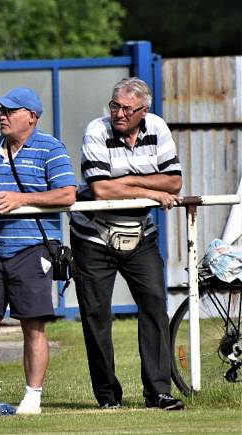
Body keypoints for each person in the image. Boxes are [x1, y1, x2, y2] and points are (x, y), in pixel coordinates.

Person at [0, 87, 76, 415]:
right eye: (0, 110)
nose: (2, 115)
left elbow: (67, 194)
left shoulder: (51, 149)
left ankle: (32, 400)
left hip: (33, 249)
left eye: (10, 110)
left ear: (32, 117)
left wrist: (22, 199)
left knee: (33, 325)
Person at [70, 77, 184, 411]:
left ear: (143, 111)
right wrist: (150, 190)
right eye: (114, 106)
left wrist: (126, 180)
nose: (119, 113)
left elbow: (175, 182)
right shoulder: (96, 130)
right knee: (96, 315)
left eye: (127, 108)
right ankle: (108, 397)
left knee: (154, 306)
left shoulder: (158, 128)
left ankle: (158, 392)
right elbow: (102, 190)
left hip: (141, 233)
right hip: (92, 237)